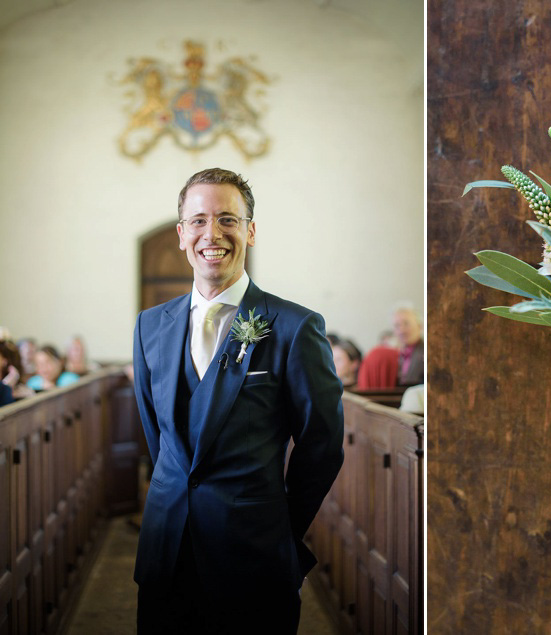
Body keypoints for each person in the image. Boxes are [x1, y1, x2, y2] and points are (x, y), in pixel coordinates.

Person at [132, 168, 344, 634]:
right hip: (166, 547)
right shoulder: (150, 325)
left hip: (255, 551)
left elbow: (322, 445)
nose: (213, 234)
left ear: (250, 230)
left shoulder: (294, 326)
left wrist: (279, 529)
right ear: (182, 233)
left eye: (228, 219)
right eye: (200, 220)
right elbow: (158, 434)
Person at [393, 304, 424, 386]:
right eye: (397, 325)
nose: (401, 330)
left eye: (406, 324)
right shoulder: (395, 354)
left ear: (420, 326)